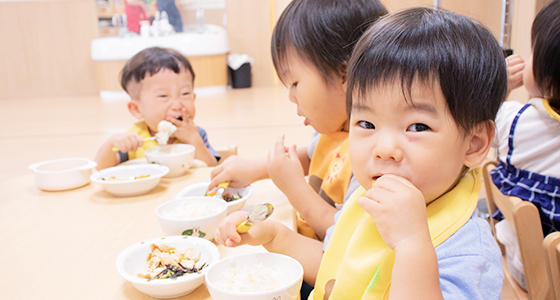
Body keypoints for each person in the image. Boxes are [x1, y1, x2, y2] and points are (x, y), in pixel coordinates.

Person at [215, 7, 506, 299]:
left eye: (417, 126)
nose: (384, 149)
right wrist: (275, 236)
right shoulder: (363, 201)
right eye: (366, 123)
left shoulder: (469, 250)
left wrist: (411, 244)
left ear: (474, 144)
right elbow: (334, 268)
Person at [209, 0, 387, 242]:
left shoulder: (375, 157)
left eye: (294, 83)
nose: (291, 97)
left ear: (344, 74)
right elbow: (316, 156)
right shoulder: (337, 129)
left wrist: (294, 188)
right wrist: (255, 169)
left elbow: (343, 237)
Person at [491, 0, 560, 236]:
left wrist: (503, 89)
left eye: (533, 53)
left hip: (522, 260)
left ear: (549, 82)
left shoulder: (513, 120)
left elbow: (482, 126)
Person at [95, 47, 220, 170]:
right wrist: (111, 144)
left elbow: (212, 169)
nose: (177, 105)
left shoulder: (196, 133)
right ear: (137, 109)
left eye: (185, 94)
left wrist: (194, 140)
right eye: (163, 96)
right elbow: (101, 168)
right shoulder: (135, 136)